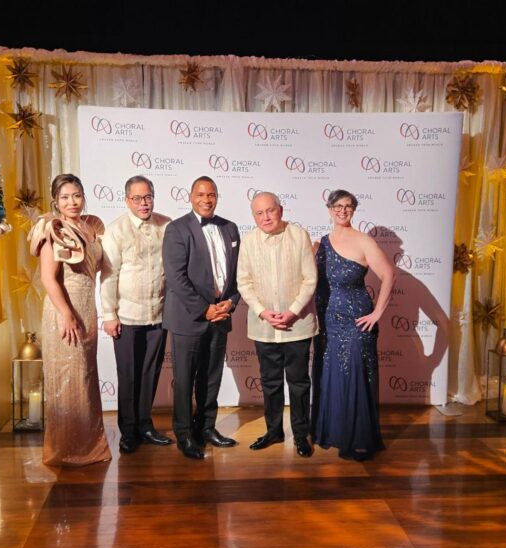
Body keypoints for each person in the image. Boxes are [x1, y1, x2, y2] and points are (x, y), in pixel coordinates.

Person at [28, 174, 111, 467]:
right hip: (63, 312)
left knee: (84, 379)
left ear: (83, 196)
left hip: (87, 309)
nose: (72, 202)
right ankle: (65, 450)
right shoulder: (52, 229)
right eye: (64, 197)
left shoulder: (90, 226)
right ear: (55, 201)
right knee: (67, 380)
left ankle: (89, 446)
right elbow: (48, 279)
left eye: (76, 195)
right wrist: (66, 314)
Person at [313, 189, 395, 460]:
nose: (343, 210)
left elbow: (389, 274)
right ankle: (334, 433)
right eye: (337, 205)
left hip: (356, 319)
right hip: (328, 320)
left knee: (355, 375)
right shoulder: (321, 244)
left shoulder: (364, 241)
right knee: (332, 374)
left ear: (354, 210)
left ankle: (358, 437)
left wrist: (377, 313)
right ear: (329, 209)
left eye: (348, 206)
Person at [162, 176, 240, 460]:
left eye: (211, 195)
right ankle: (184, 434)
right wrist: (204, 308)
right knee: (184, 379)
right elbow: (176, 278)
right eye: (201, 194)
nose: (207, 200)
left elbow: (237, 273)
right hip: (189, 318)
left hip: (221, 316)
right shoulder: (176, 229)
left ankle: (206, 427)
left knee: (211, 377)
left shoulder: (230, 228)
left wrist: (231, 302)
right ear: (191, 197)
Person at [236, 191, 318, 457]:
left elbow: (310, 279)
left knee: (299, 382)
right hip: (264, 327)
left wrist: (293, 311)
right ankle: (273, 432)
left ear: (280, 210)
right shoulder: (249, 241)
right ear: (254, 217)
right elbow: (244, 283)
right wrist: (262, 312)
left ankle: (301, 435)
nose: (266, 217)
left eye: (270, 211)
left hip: (298, 325)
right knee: (270, 382)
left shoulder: (299, 235)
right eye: (259, 213)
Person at [101, 175, 173, 454]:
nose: (144, 203)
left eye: (148, 197)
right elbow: (109, 275)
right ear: (127, 200)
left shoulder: (166, 225)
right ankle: (128, 431)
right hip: (127, 316)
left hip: (159, 314)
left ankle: (145, 425)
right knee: (129, 375)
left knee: (150, 373)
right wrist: (109, 314)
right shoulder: (116, 230)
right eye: (137, 198)